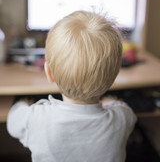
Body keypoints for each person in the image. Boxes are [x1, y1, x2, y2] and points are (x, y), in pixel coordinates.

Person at [7, 10, 137, 162]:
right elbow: (127, 113)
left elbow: (12, 122)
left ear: (49, 72)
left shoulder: (36, 118)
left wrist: (23, 103)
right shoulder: (121, 118)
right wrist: (112, 102)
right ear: (114, 75)